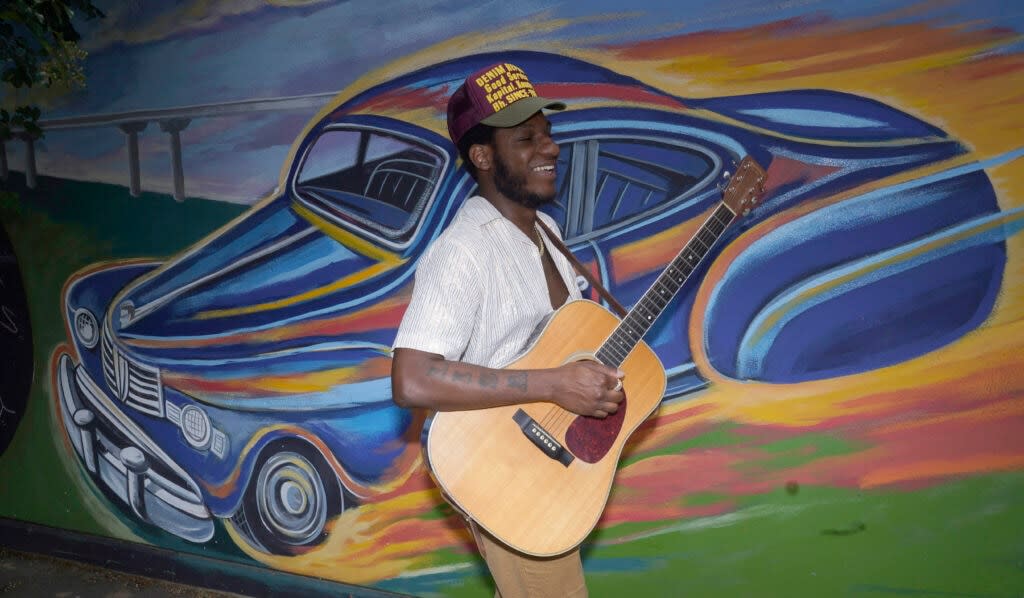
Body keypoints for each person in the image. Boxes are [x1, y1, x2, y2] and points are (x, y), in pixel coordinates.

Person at [390, 61, 625, 598]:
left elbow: (566, 344)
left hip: (545, 458)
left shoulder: (547, 230)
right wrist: (554, 384)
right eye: (526, 139)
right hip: (496, 467)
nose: (550, 148)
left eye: (547, 134)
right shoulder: (464, 250)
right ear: (483, 156)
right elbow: (412, 380)